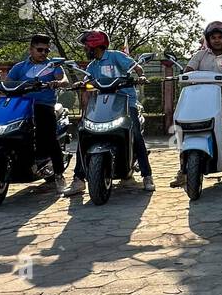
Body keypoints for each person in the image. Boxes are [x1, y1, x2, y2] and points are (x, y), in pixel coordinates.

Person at [63, 30, 154, 196]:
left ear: (95, 44)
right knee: (84, 131)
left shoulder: (116, 56)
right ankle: (78, 179)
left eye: (86, 45)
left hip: (126, 101)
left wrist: (140, 76)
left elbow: (137, 67)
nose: (85, 49)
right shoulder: (92, 66)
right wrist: (80, 84)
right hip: (102, 103)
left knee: (135, 133)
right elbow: (87, 80)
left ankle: (147, 175)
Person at [171, 21, 222, 187]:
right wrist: (187, 74)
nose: (217, 40)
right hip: (199, 97)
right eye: (213, 37)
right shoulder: (200, 55)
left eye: (220, 37)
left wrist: (218, 92)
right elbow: (188, 71)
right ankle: (183, 171)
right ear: (208, 39)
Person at [6, 33, 69, 189]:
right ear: (31, 49)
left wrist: (58, 82)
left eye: (46, 51)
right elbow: (7, 83)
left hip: (44, 106)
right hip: (21, 106)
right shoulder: (19, 67)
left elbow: (64, 80)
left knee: (49, 137)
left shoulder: (53, 66)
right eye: (40, 50)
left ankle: (59, 175)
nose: (43, 54)